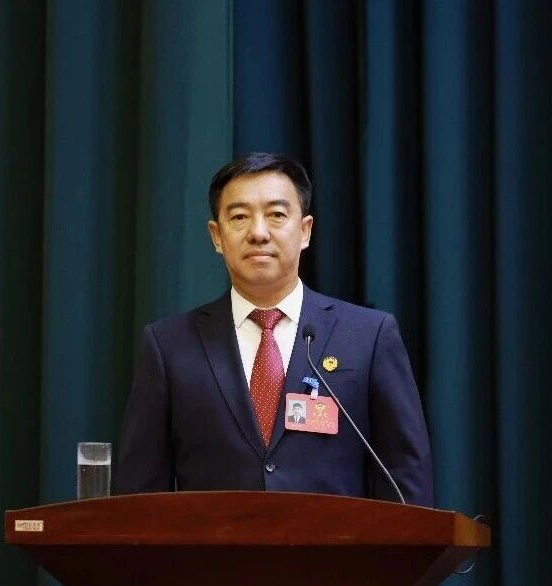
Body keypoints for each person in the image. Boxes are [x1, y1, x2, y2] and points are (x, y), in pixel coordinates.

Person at [114, 153, 433, 505]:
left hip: (336, 543)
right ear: (216, 236)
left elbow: (405, 476)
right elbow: (139, 492)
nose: (258, 233)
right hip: (215, 543)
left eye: (277, 215)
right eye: (239, 217)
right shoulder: (169, 346)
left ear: (305, 231)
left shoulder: (369, 336)